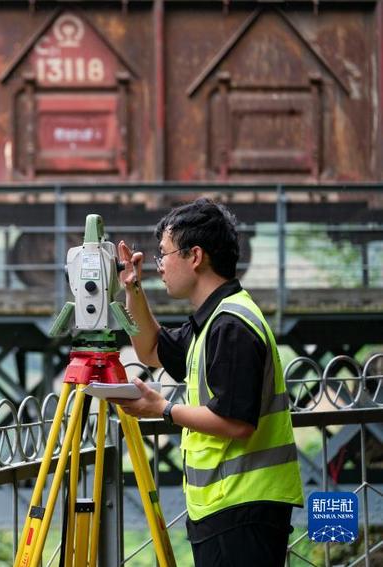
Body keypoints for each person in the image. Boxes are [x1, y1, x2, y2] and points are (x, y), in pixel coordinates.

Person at [111, 198, 303, 566]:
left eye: (163, 254)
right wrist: (132, 290)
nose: (160, 266)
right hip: (225, 508)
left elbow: (236, 423)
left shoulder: (231, 326)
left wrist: (162, 410)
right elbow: (150, 350)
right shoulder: (212, 321)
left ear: (195, 256)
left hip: (243, 509)